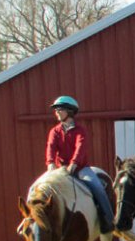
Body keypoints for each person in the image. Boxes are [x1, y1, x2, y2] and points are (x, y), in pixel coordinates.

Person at [45, 95, 114, 233]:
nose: (56, 112)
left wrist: (74, 164)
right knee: (41, 189)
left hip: (81, 169)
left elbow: (80, 149)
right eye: (56, 109)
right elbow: (50, 147)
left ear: (70, 111)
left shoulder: (80, 131)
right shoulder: (55, 131)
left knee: (98, 188)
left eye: (60, 109)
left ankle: (109, 220)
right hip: (60, 171)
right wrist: (50, 163)